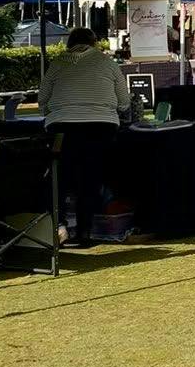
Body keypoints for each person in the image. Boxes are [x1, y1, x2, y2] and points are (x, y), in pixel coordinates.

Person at [41, 27, 135, 238]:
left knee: (61, 178)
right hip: (101, 127)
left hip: (62, 127)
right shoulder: (107, 63)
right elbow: (124, 102)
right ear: (94, 43)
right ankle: (85, 230)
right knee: (90, 179)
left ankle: (60, 226)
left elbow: (42, 100)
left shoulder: (57, 63)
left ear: (69, 44)